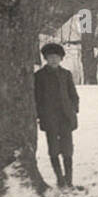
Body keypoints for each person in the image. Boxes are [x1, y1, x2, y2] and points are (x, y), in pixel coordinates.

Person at [34, 42, 80, 187]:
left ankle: (69, 179)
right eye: (50, 57)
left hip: (66, 117)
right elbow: (37, 97)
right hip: (49, 117)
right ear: (46, 59)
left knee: (67, 149)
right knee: (53, 149)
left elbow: (73, 95)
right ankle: (59, 178)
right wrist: (40, 114)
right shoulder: (39, 76)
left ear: (61, 59)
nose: (53, 60)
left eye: (56, 57)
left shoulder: (66, 74)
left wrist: (73, 109)